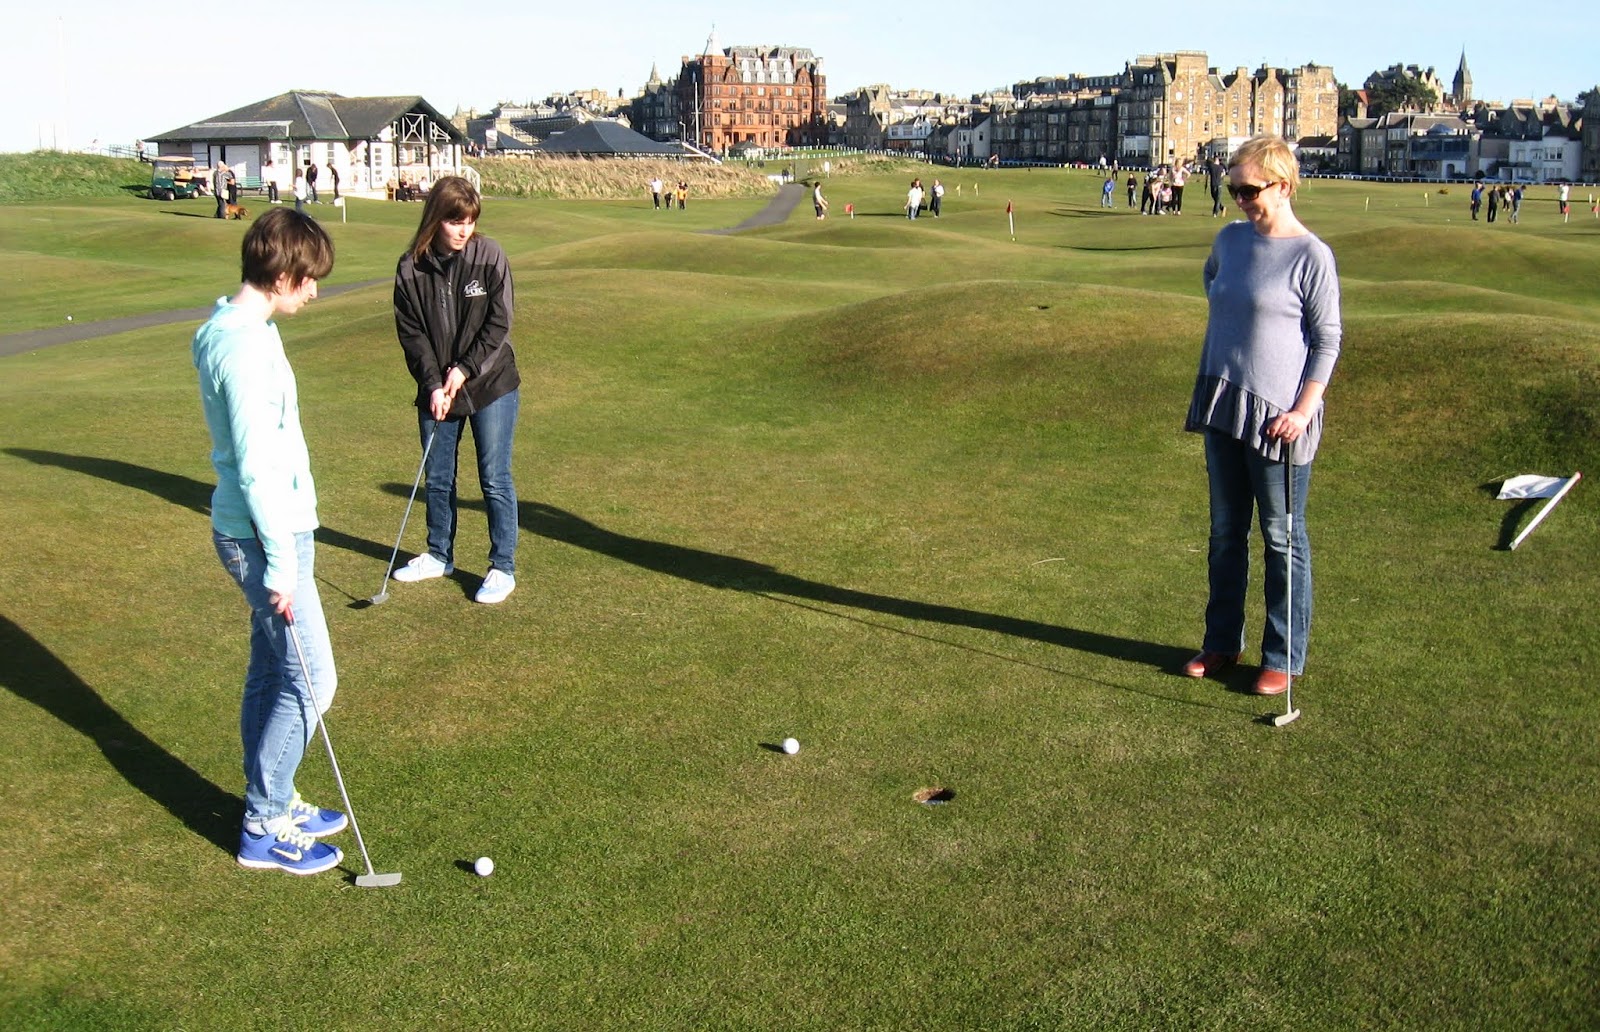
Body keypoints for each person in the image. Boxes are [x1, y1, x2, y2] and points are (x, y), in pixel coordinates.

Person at [192, 207, 348, 875]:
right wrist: (282, 565)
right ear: (282, 276)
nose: (315, 290)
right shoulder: (245, 347)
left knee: (271, 672)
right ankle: (264, 822)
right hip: (265, 536)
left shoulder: (230, 325)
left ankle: (274, 797)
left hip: (270, 528)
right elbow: (255, 465)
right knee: (313, 681)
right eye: (309, 280)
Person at [1183, 135, 1342, 696]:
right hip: (1225, 406)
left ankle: (1283, 656)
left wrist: (1302, 410)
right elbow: (1212, 280)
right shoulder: (1229, 240)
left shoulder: (1311, 256)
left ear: (1283, 183)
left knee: (1281, 537)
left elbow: (1327, 342)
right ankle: (1222, 641)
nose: (1240, 199)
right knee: (1226, 532)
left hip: (1280, 419)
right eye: (1233, 189)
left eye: (1249, 189)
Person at [392, 176, 521, 604]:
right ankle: (438, 554)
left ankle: (502, 567)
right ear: (436, 219)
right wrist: (432, 382)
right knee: (439, 476)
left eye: (469, 221)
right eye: (455, 221)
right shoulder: (410, 267)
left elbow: (499, 324)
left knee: (494, 478)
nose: (464, 230)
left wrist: (464, 369)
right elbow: (412, 334)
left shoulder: (489, 255)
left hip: (491, 382)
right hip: (438, 388)